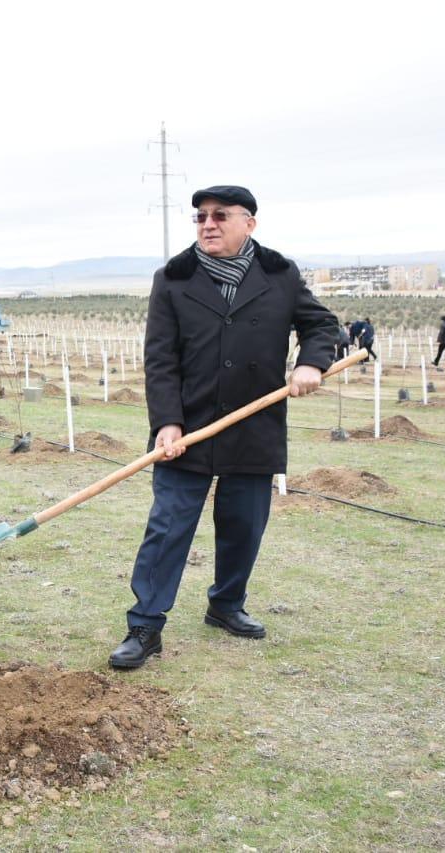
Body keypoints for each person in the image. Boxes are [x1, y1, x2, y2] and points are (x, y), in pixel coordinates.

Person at [109, 185, 337, 670]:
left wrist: (311, 364)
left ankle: (226, 605)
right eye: (200, 217)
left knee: (243, 526)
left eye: (220, 216)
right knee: (168, 526)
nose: (207, 224)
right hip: (187, 428)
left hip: (254, 425)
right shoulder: (173, 278)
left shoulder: (280, 274)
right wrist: (167, 422)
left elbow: (321, 325)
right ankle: (145, 625)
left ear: (249, 223)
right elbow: (160, 358)